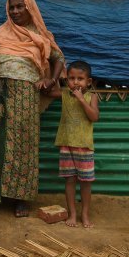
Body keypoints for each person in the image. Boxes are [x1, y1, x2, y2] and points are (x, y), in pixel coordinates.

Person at [0, 0, 66, 218]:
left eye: (20, 7)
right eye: (12, 7)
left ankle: (21, 200)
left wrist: (51, 80)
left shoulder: (40, 35)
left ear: (29, 8)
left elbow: (59, 59)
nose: (15, 11)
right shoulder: (0, 33)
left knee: (24, 146)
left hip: (27, 97)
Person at [46, 60, 99, 228]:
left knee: (86, 182)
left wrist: (82, 100)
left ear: (88, 82)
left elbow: (94, 117)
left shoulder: (92, 97)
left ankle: (85, 214)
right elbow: (47, 92)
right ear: (66, 80)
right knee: (69, 180)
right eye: (71, 78)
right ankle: (72, 214)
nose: (75, 82)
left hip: (84, 146)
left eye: (80, 79)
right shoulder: (63, 94)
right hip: (67, 145)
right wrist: (49, 80)